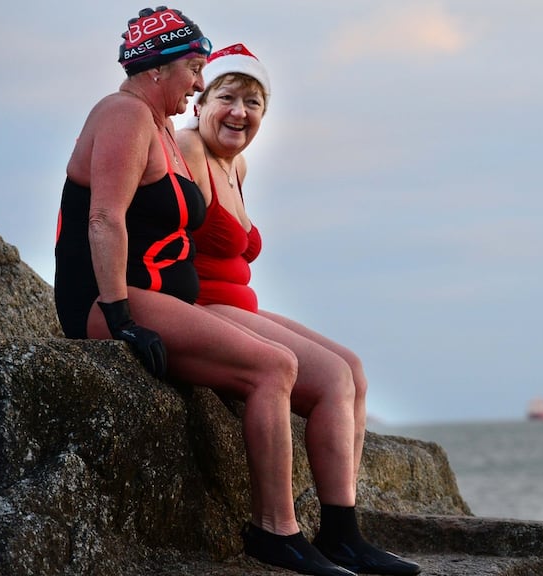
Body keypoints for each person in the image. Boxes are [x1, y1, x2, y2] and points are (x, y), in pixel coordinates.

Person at [52, 8, 409, 576]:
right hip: (106, 300)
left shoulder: (157, 124)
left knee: (333, 371)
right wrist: (120, 317)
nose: (198, 83)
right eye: (195, 69)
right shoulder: (123, 114)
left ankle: (341, 535)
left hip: (158, 297)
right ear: (158, 67)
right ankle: (276, 532)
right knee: (273, 366)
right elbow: (104, 218)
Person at [173, 44, 420, 576]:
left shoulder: (236, 164)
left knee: (351, 369)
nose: (239, 112)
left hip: (238, 303)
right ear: (199, 102)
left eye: (253, 102)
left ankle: (342, 533)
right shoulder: (187, 147)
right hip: (198, 305)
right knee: (330, 377)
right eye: (227, 97)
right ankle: (281, 531)